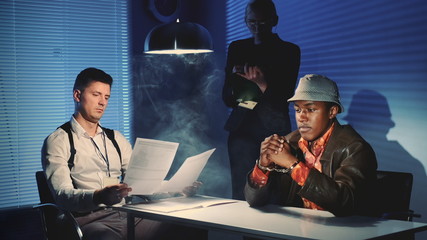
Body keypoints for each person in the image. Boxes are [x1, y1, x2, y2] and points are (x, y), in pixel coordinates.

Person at [42, 67, 206, 240]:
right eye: (96, 95)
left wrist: (178, 189)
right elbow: (63, 196)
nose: (102, 102)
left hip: (126, 214)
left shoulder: (116, 138)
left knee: (189, 225)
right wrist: (99, 196)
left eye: (106, 97)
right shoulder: (59, 141)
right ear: (77, 95)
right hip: (89, 221)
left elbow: (142, 184)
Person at [244, 74, 378, 217]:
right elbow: (254, 201)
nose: (302, 117)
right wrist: (264, 166)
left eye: (311, 109)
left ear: (332, 111)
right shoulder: (290, 142)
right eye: (298, 110)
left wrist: (292, 164)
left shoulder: (355, 148)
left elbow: (345, 203)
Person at [222, 0, 300, 200]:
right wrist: (234, 80)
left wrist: (262, 84)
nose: (257, 27)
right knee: (241, 191)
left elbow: (287, 95)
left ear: (274, 21)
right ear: (245, 21)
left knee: (275, 192)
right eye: (252, 22)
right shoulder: (237, 48)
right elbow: (227, 98)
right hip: (241, 129)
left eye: (263, 22)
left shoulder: (289, 50)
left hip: (273, 130)